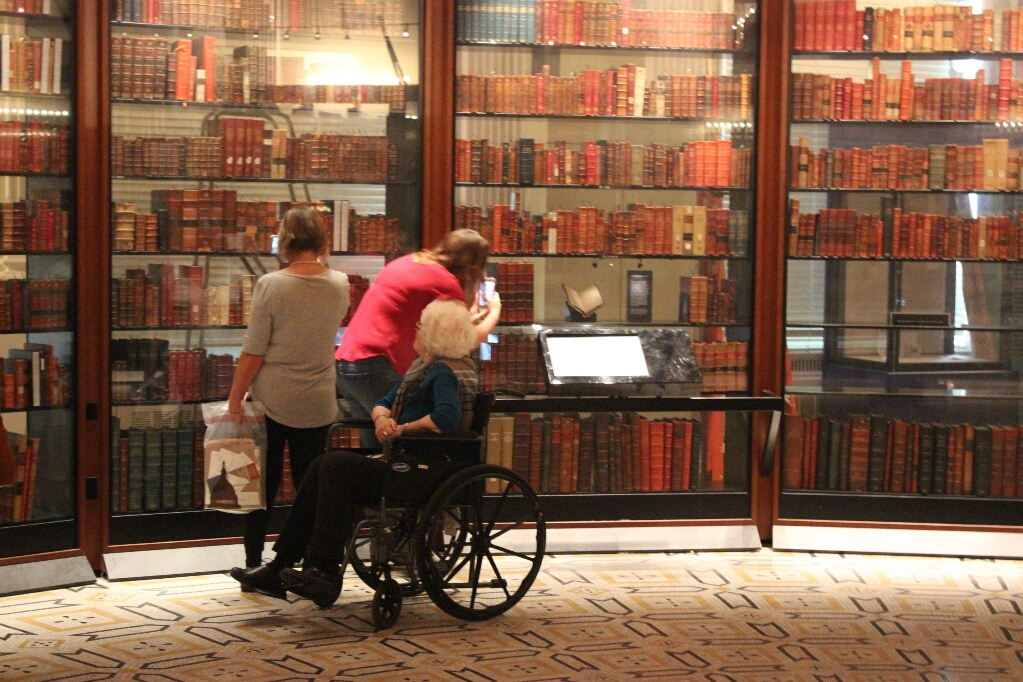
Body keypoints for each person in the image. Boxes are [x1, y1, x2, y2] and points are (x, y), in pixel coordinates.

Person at [230, 299, 479, 607]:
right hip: (409, 463)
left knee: (334, 466)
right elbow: (382, 402)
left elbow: (446, 418)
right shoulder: (424, 370)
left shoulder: (442, 373)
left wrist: (404, 428)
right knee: (322, 464)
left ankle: (320, 567)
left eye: (419, 325)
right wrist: (382, 419)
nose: (414, 330)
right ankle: (286, 564)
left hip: (425, 469)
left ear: (433, 335)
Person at [227, 206, 350, 572]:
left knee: (260, 486)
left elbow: (254, 351)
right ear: (322, 240)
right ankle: (310, 560)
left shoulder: (271, 285)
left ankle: (254, 561)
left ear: (285, 240)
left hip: (272, 400)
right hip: (318, 399)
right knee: (309, 486)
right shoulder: (340, 283)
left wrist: (235, 398)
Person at [336, 229, 499, 445]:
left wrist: (464, 318)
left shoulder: (408, 261)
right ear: (473, 267)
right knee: (403, 443)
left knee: (378, 446)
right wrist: (494, 313)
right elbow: (462, 343)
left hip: (347, 362)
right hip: (378, 363)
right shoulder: (447, 284)